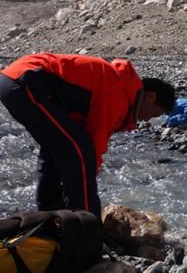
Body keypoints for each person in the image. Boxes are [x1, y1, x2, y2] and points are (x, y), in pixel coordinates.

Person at [0, 53, 176, 218]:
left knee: (58, 149)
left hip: (14, 80)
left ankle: (50, 216)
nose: (146, 120)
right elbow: (94, 141)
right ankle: (85, 227)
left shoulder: (122, 87)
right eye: (154, 114)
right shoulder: (119, 95)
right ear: (150, 97)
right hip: (26, 82)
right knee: (81, 153)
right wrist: (88, 175)